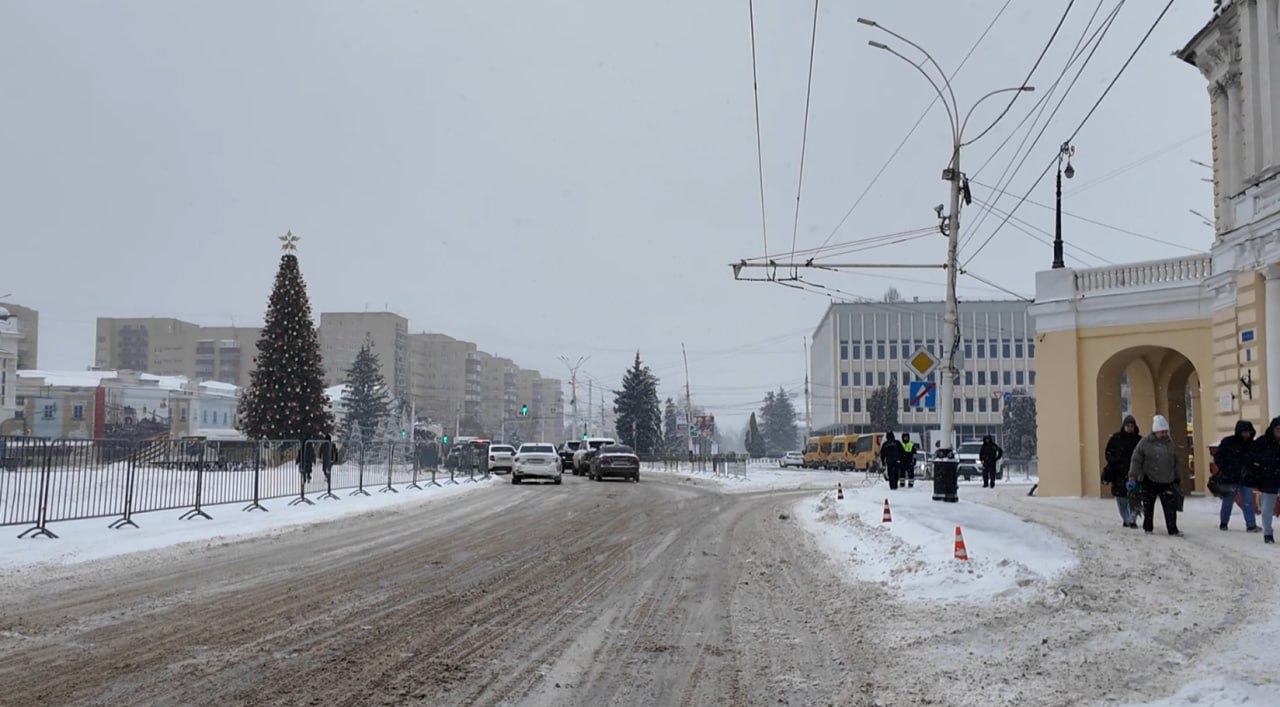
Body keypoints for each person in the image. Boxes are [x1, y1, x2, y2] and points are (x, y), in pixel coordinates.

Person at [1127, 415, 1183, 536]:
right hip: (1149, 479)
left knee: (1170, 507)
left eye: (1165, 432)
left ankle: (1172, 529)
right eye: (1162, 432)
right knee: (1149, 506)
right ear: (1155, 431)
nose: (1164, 434)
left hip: (1167, 480)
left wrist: (1177, 476)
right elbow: (1136, 460)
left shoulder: (1169, 442)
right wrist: (1132, 476)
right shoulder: (1145, 443)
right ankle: (1148, 528)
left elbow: (1175, 460)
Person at [1212, 420, 1259, 532]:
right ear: (1239, 432)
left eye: (1249, 432)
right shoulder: (1229, 442)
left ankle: (1251, 525)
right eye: (1245, 432)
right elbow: (1218, 457)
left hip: (1245, 477)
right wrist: (1227, 469)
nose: (1247, 434)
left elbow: (1255, 459)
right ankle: (1224, 522)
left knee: (1248, 501)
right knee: (1228, 501)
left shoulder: (1251, 445)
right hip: (1231, 477)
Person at [1102, 415, 1141, 528]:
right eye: (1128, 426)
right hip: (1118, 473)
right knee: (1122, 498)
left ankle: (1132, 519)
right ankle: (1126, 518)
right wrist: (1116, 461)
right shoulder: (1115, 439)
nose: (1130, 428)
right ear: (1124, 426)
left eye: (1132, 426)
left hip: (1134, 474)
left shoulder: (1139, 440)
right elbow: (1108, 454)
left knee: (1135, 497)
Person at [1250, 417, 1280, 544]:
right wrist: (1260, 467)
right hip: (1269, 478)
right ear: (1273, 429)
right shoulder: (1263, 442)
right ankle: (1268, 533)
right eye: (1278, 429)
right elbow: (1251, 456)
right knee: (1267, 509)